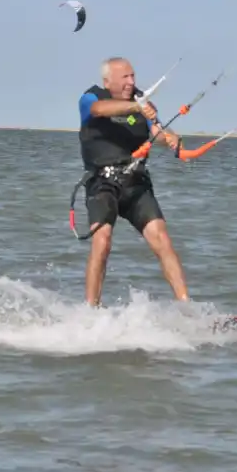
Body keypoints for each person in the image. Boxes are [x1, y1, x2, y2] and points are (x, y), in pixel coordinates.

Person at [77, 56, 190, 307]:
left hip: (135, 183)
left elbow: (155, 131)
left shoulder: (143, 102)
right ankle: (90, 310)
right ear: (108, 81)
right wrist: (136, 108)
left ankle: (186, 306)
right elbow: (98, 111)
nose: (131, 82)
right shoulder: (91, 98)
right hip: (102, 183)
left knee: (161, 238)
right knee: (102, 240)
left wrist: (169, 138)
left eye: (133, 76)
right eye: (125, 77)